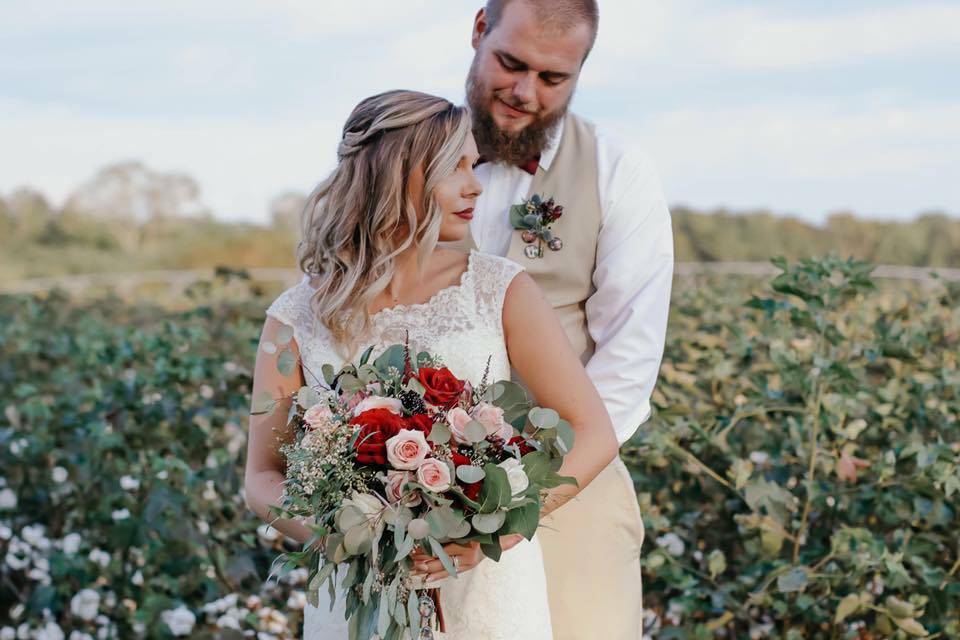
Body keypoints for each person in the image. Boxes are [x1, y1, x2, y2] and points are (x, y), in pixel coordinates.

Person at [244, 90, 619, 639]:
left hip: (486, 592)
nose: (475, 185)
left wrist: (498, 528)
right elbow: (261, 475)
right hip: (358, 598)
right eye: (456, 168)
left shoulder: (499, 289)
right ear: (399, 177)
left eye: (475, 164)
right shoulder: (294, 317)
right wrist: (347, 535)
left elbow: (594, 432)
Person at [443, 1, 675, 638]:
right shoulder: (403, 157)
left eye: (553, 78)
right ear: (478, 30)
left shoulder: (618, 171)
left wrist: (529, 491)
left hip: (573, 482)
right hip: (422, 488)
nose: (524, 93)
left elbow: (628, 359)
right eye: (511, 65)